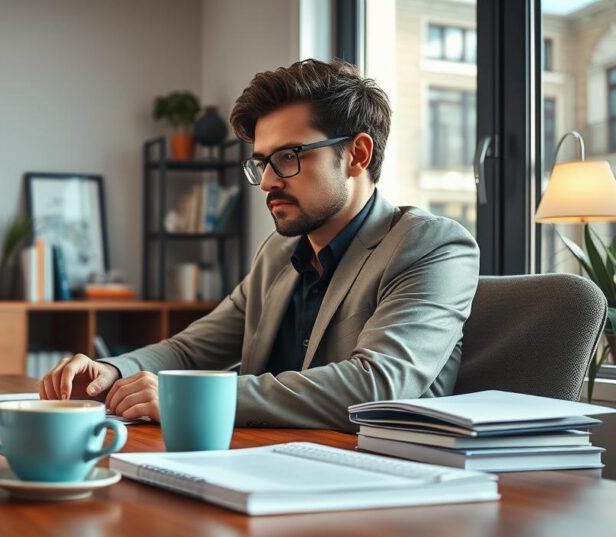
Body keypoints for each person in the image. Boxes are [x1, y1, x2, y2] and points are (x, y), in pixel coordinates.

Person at [38, 59, 479, 431]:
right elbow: (192, 350)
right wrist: (113, 370)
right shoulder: (279, 253)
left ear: (357, 155)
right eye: (261, 163)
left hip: (384, 485)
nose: (267, 181)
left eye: (288, 157)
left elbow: (377, 385)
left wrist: (190, 397)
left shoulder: (430, 245)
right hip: (267, 462)